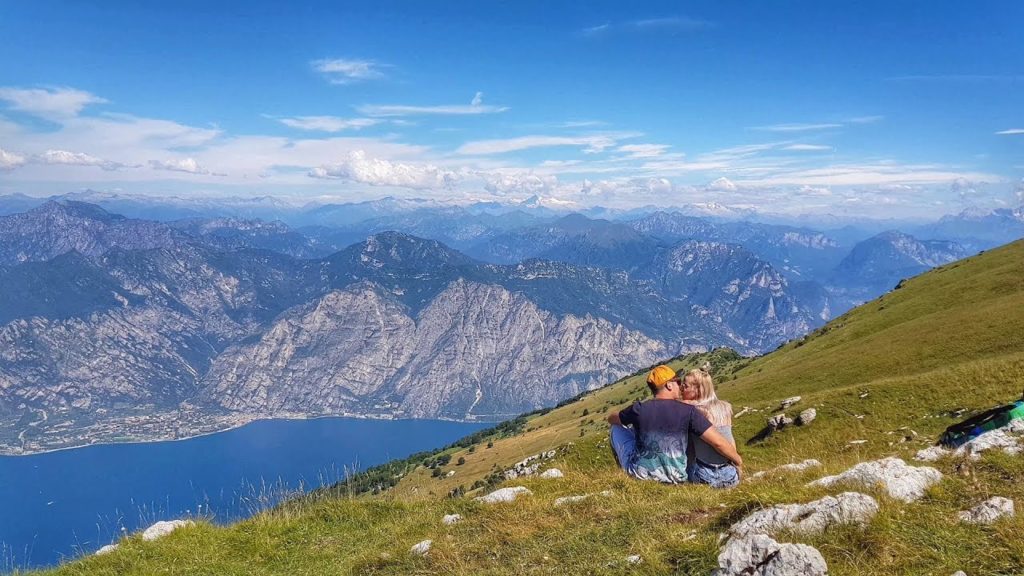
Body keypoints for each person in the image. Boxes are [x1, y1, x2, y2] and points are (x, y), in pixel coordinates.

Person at [607, 365, 742, 484]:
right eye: (678, 382)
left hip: (640, 475)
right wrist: (738, 461)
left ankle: (624, 473)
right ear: (669, 385)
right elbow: (718, 442)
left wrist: (620, 418)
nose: (681, 386)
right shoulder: (689, 411)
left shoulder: (639, 408)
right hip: (676, 477)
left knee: (616, 429)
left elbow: (612, 418)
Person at [681, 367, 740, 488]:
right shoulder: (725, 407)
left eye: (685, 386)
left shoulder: (692, 410)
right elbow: (730, 441)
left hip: (704, 475)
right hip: (730, 474)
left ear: (697, 389)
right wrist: (737, 464)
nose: (682, 389)